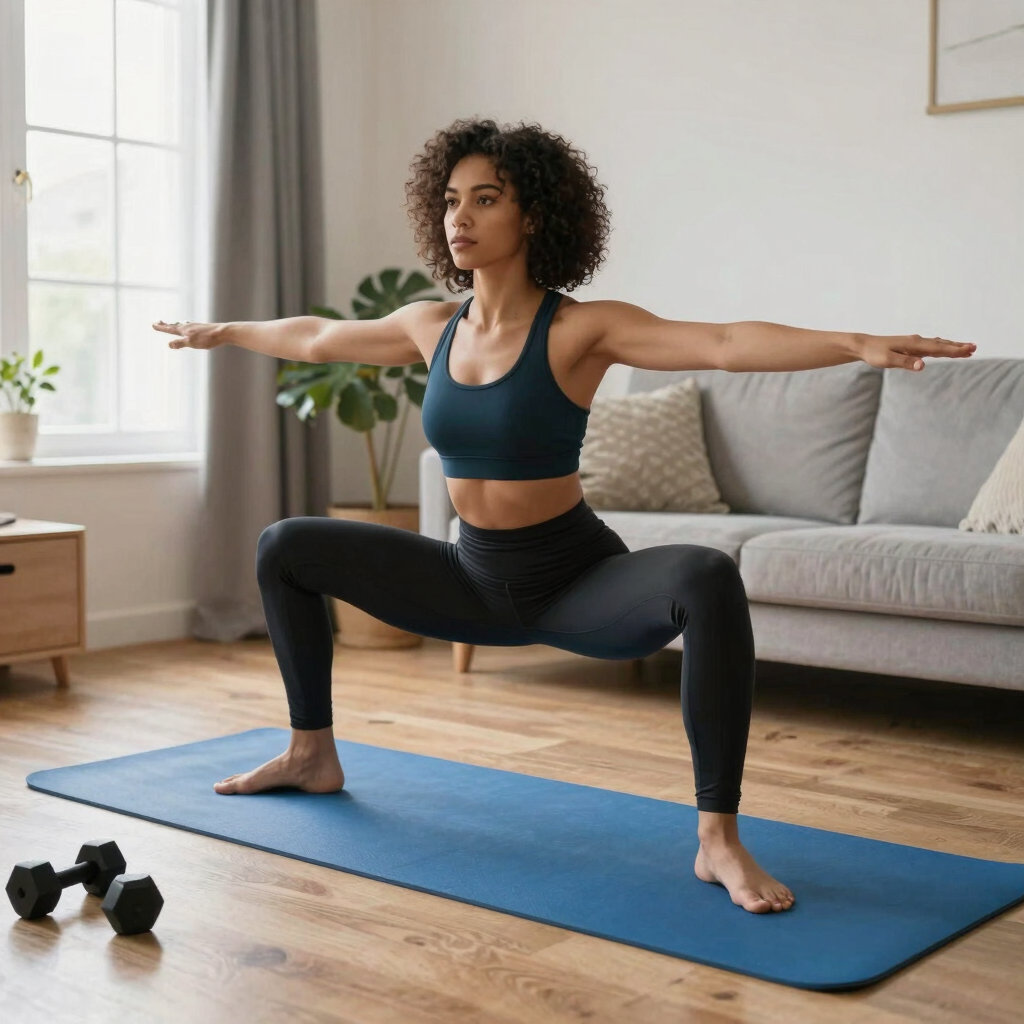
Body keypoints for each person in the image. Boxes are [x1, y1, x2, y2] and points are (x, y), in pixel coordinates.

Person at [153, 117, 975, 914]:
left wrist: (857, 341)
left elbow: (723, 342)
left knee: (707, 575)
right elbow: (324, 338)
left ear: (533, 214)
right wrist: (224, 331)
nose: (458, 219)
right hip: (469, 578)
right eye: (449, 200)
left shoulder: (582, 328)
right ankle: (311, 754)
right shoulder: (430, 326)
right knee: (287, 546)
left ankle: (717, 837)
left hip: (577, 582)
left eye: (484, 199)